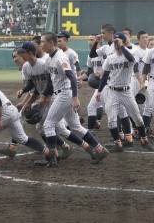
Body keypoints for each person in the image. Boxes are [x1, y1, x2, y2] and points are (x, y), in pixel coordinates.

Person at [39, 32, 109, 166]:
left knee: (48, 124)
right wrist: (44, 95)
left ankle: (52, 159)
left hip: (65, 94)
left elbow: (72, 77)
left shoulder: (61, 58)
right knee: (76, 127)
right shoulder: (48, 59)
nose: (41, 44)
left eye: (43, 41)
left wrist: (75, 98)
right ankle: (100, 149)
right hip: (62, 93)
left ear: (50, 43)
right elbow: (49, 81)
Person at [95, 32, 154, 152]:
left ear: (123, 42)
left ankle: (144, 140)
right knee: (111, 121)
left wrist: (122, 46)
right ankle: (118, 144)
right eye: (115, 42)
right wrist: (99, 91)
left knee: (137, 118)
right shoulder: (110, 58)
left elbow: (131, 59)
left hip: (126, 92)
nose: (116, 44)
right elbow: (105, 76)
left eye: (118, 41)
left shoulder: (131, 54)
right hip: (112, 92)